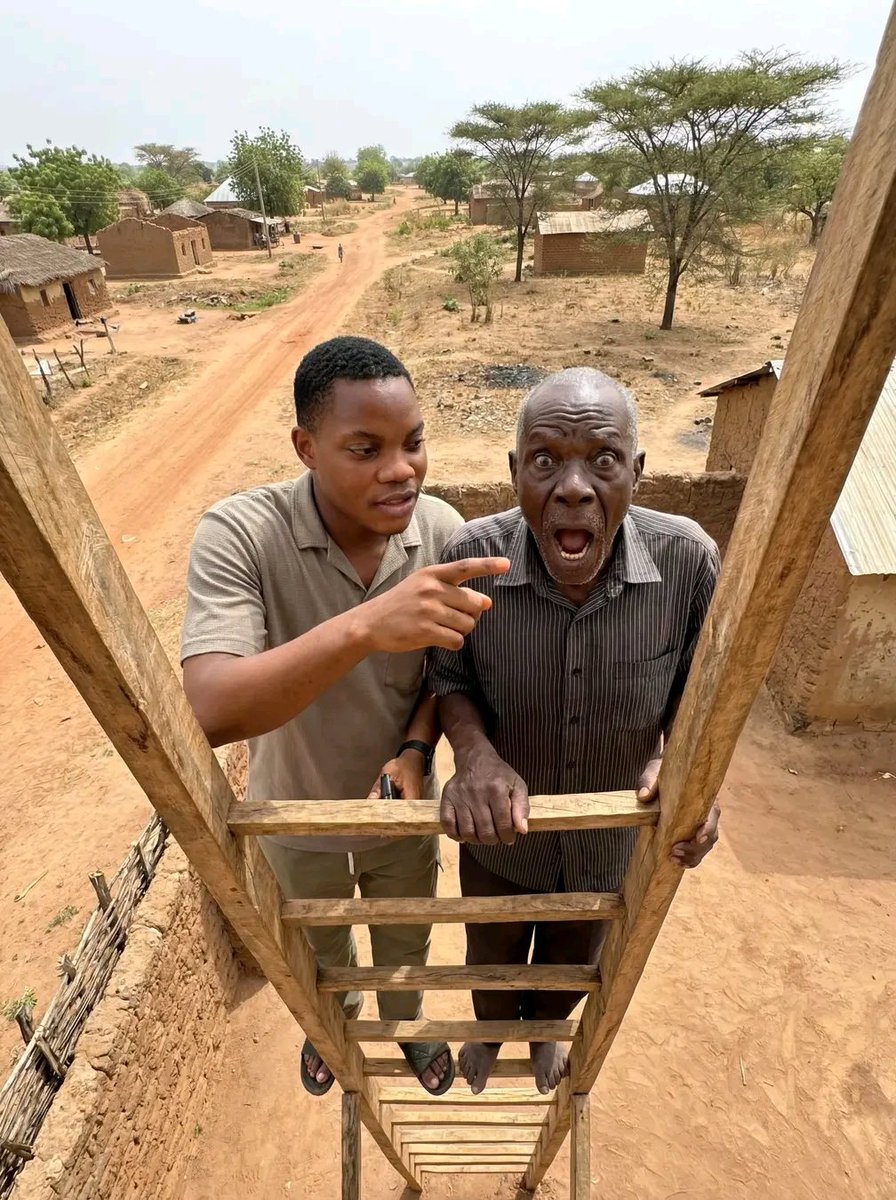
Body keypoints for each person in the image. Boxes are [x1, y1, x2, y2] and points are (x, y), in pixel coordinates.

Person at [181, 335, 508, 1097]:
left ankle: (407, 1029)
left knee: (405, 938)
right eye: (366, 449)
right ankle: (335, 1027)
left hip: (402, 813)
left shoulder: (443, 531)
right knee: (323, 948)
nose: (401, 470)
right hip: (295, 817)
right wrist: (365, 626)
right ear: (306, 447)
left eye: (413, 443)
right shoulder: (241, 534)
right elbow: (212, 706)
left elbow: (449, 672)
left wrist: (416, 752)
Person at [428, 367, 722, 1096]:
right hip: (499, 840)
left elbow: (699, 694)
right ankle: (491, 1033)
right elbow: (448, 677)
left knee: (574, 963)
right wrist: (475, 756)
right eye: (545, 459)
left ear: (637, 472)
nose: (574, 487)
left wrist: (688, 768)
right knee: (489, 957)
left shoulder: (689, 562)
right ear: (514, 472)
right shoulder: (472, 559)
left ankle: (545, 1036)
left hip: (608, 845)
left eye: (603, 460)